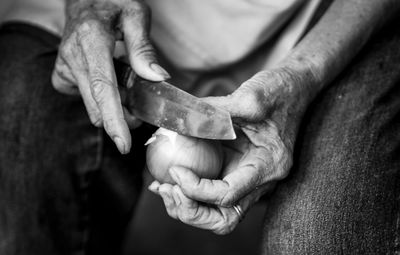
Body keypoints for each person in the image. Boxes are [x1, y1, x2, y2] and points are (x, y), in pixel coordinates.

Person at [0, 0, 399, 254]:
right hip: (119, 28)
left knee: (318, 238)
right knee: (22, 112)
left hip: (324, 38)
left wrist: (304, 74)